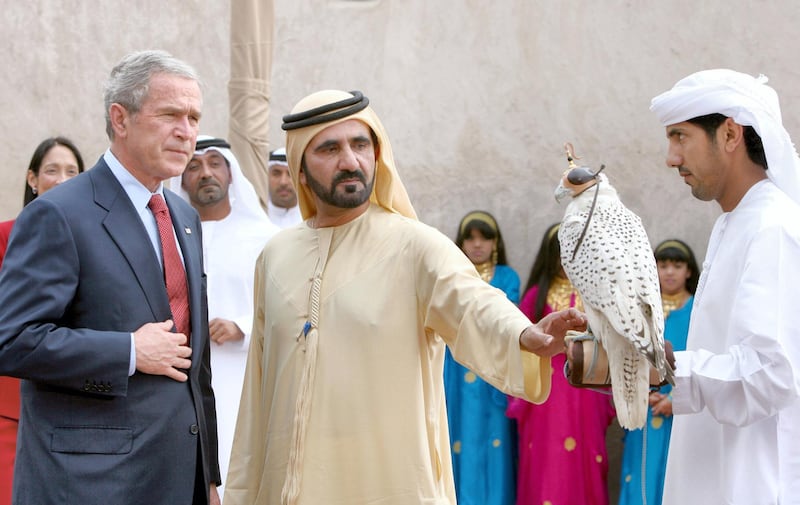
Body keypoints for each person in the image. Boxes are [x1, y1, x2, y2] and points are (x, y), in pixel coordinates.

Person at [223, 89, 587, 505]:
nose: (351, 160)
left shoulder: (414, 246)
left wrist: (525, 335)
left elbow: (472, 302)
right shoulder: (275, 256)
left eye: (361, 145)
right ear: (300, 169)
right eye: (329, 148)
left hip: (386, 484)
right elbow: (257, 394)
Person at [0, 50, 221, 505]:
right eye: (170, 115)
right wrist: (128, 351)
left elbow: (195, 365)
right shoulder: (57, 214)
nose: (187, 132)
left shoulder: (183, 216)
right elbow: (12, 339)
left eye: (194, 117)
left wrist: (209, 478)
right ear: (120, 119)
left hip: (179, 480)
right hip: (91, 483)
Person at [650, 69, 800, 505]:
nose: (671, 158)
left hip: (751, 485)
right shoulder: (733, 223)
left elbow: (771, 373)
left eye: (681, 137)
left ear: (730, 134)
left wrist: (668, 367)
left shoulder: (772, 228)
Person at [170, 135, 279, 500]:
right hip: (179, 381)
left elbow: (285, 306)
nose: (205, 173)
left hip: (240, 377)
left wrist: (243, 327)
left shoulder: (266, 239)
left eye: (215, 163)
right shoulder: (167, 236)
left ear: (231, 174)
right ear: (182, 180)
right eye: (194, 166)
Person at [0, 136, 84, 505]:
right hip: (9, 403)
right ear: (32, 178)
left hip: (73, 401)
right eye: (52, 170)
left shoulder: (90, 239)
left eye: (72, 171)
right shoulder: (4, 236)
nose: (62, 179)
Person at [507, 222, 616, 505]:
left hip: (588, 392)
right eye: (561, 251)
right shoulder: (535, 297)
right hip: (545, 395)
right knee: (546, 460)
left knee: (587, 458)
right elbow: (518, 345)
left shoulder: (598, 295)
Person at [443, 210, 520, 505]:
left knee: (495, 439)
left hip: (493, 370)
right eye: (470, 238)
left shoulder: (507, 277)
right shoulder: (452, 276)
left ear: (495, 242)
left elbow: (506, 320)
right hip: (456, 369)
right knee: (456, 434)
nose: (477, 245)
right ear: (460, 243)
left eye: (484, 238)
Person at [618, 239, 698, 505]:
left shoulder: (699, 309)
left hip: (687, 415)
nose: (670, 272)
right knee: (641, 477)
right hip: (644, 411)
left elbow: (708, 358)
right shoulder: (638, 310)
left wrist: (675, 400)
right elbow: (624, 359)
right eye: (662, 265)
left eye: (677, 265)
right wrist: (639, 393)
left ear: (689, 271)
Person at [266, 147, 302, 227]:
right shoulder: (257, 216)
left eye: (290, 174)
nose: (283, 182)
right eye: (276, 174)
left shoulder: (313, 220)